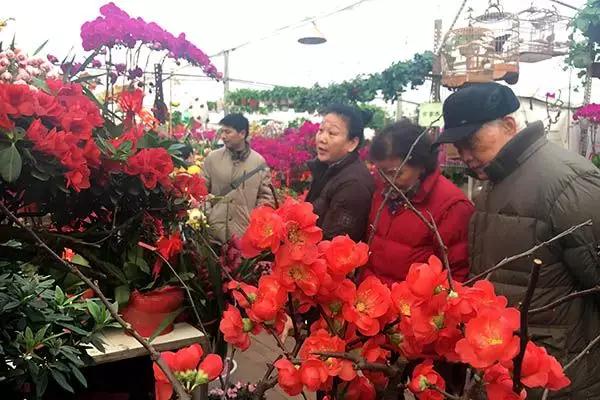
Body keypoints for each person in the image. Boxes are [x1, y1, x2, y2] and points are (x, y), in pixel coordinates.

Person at [435, 82, 600, 399]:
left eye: (472, 142)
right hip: (507, 366)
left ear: (509, 125)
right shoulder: (494, 180)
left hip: (559, 375)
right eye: (458, 146)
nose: (465, 155)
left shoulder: (568, 185)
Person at [365, 120, 473, 285]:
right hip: (374, 295)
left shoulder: (451, 206)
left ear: (421, 165)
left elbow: (457, 275)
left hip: (415, 299)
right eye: (381, 172)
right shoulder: (382, 192)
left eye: (395, 173)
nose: (387, 180)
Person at [306, 104, 375, 241]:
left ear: (352, 143)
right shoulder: (328, 167)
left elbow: (335, 242)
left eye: (332, 133)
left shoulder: (353, 185)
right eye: (321, 130)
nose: (322, 138)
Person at [203, 113, 273, 244]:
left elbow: (266, 198)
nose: (223, 136)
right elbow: (201, 191)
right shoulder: (212, 158)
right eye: (222, 131)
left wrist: (255, 221)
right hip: (214, 235)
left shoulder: (258, 162)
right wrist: (209, 214)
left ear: (242, 134)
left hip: (244, 235)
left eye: (228, 132)